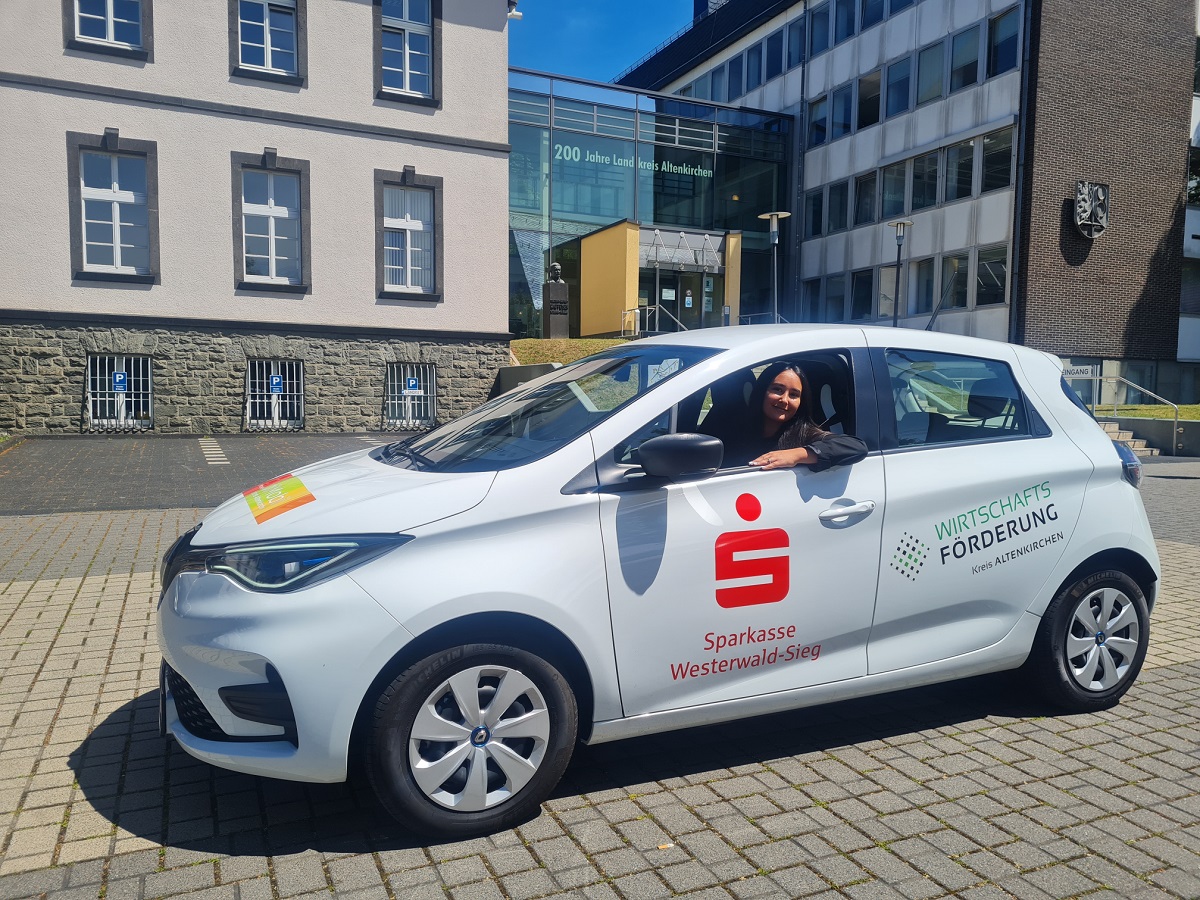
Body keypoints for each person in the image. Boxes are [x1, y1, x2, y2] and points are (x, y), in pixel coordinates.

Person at [718, 361, 868, 471]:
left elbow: (857, 447)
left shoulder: (806, 434)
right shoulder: (735, 430)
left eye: (794, 395)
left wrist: (798, 454)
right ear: (761, 391)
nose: (784, 400)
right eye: (777, 390)